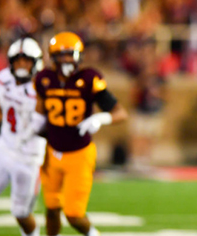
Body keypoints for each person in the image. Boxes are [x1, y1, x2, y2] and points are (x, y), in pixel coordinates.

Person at [34, 32, 128, 236]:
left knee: (74, 214)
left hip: (79, 154)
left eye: (71, 54)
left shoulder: (89, 78)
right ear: (53, 56)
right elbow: (39, 114)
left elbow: (121, 113)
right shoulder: (44, 79)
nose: (68, 60)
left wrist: (101, 118)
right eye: (63, 55)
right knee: (51, 209)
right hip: (51, 152)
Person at [0, 37, 46, 236]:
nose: (21, 65)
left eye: (26, 60)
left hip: (28, 158)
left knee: (21, 213)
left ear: (36, 62)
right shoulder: (4, 78)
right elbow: (3, 109)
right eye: (17, 60)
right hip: (3, 149)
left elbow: (48, 126)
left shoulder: (42, 89)